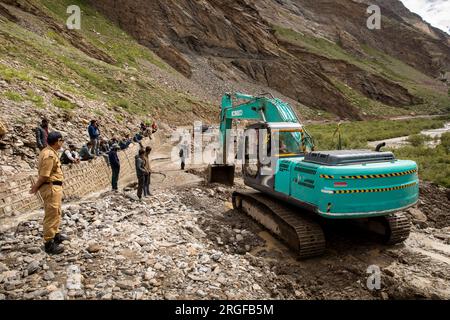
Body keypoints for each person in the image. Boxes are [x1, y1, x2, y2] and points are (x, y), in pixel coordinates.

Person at [29, 131, 68, 255]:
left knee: (56, 212)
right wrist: (35, 187)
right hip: (50, 187)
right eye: (61, 141)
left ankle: (56, 235)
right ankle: (49, 243)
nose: (62, 143)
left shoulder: (50, 152)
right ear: (57, 141)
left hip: (54, 187)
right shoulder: (49, 155)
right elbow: (44, 175)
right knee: (51, 213)